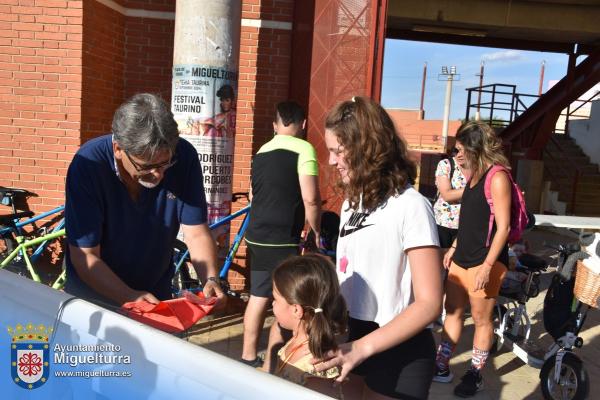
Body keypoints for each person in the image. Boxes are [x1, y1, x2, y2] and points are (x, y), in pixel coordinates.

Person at [315, 96, 443, 400]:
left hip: (400, 349)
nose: (331, 161)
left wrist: (363, 347)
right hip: (353, 337)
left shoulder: (412, 206)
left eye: (338, 151)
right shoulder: (351, 204)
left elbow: (429, 303)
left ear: (365, 149)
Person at [64, 93, 225, 307]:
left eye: (165, 163)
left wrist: (211, 279)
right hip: (93, 301)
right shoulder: (88, 165)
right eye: (146, 166)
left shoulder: (184, 156)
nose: (158, 175)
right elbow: (85, 257)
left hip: (156, 296)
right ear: (118, 149)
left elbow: (196, 232)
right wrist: (129, 296)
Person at [241, 101, 322, 368]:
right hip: (283, 236)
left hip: (256, 233)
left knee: (259, 295)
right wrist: (316, 232)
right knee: (288, 299)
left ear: (276, 125)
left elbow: (253, 195)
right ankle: (278, 361)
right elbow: (310, 199)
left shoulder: (262, 151)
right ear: (303, 124)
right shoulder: (304, 149)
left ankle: (248, 356)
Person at [434, 121, 511, 397]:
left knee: (481, 319)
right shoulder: (473, 175)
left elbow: (504, 227)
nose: (457, 155)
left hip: (485, 261)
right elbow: (469, 218)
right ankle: (441, 365)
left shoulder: (498, 177)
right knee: (452, 311)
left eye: (461, 149)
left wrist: (488, 267)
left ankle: (475, 373)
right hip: (463, 257)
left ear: (475, 148)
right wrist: (454, 247)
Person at [272, 254, 348, 399]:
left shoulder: (317, 364)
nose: (272, 304)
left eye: (275, 299)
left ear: (296, 310)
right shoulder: (296, 339)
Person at [433, 145, 470, 250]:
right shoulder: (446, 164)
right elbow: (447, 195)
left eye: (464, 150)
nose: (459, 154)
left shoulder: (479, 168)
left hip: (467, 225)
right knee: (441, 261)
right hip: (442, 223)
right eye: (456, 150)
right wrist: (474, 190)